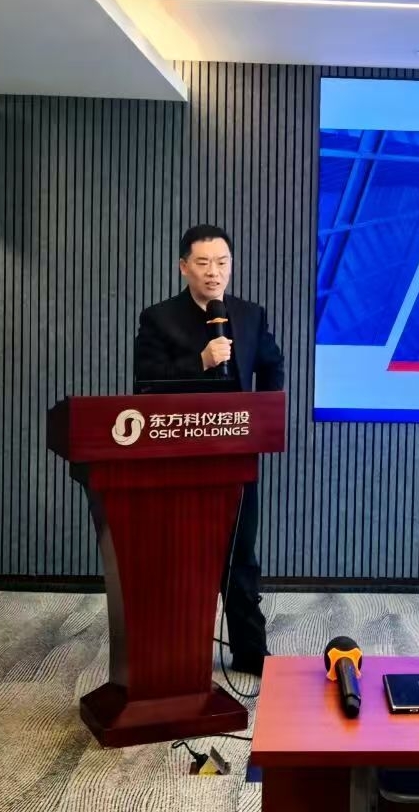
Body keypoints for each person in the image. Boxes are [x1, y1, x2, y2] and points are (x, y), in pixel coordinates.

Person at [133, 224, 284, 676]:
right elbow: (146, 383)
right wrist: (200, 361)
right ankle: (181, 653)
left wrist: (264, 413)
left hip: (238, 454)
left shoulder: (250, 315)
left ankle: (250, 651)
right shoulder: (158, 318)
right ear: (184, 267)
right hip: (182, 457)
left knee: (241, 555)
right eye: (203, 263)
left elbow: (272, 364)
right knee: (184, 556)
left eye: (222, 263)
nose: (213, 272)